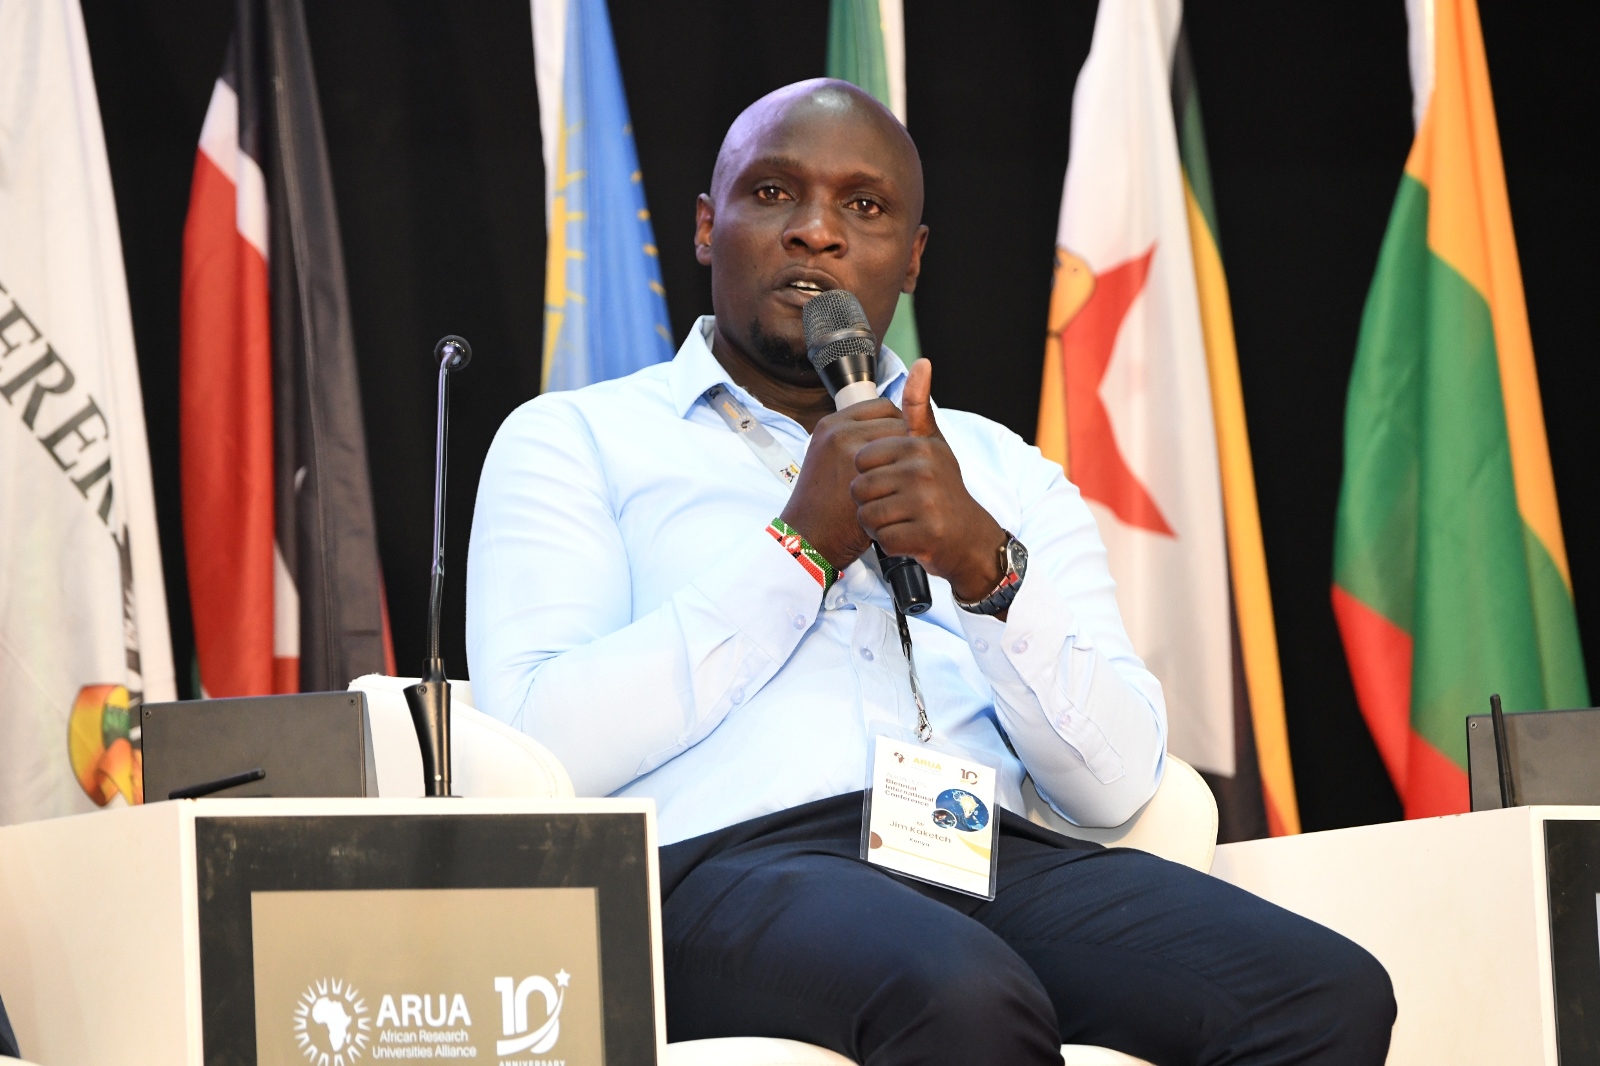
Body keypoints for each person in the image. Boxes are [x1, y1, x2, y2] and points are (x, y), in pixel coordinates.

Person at [467, 78, 1394, 1065]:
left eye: (863, 208)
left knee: (1321, 992)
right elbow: (536, 749)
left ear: (910, 258)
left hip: (975, 854)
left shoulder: (1003, 472)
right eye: (774, 193)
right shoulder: (574, 439)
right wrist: (799, 547)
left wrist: (985, 569)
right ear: (706, 227)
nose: (815, 233)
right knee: (959, 994)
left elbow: (1119, 782)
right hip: (716, 864)